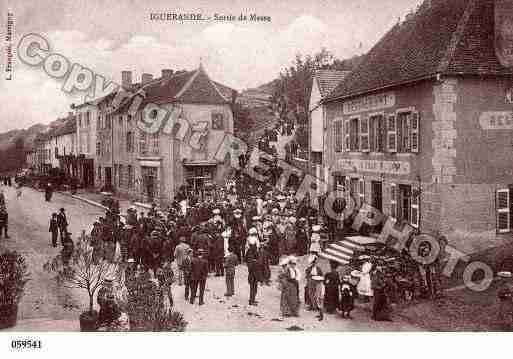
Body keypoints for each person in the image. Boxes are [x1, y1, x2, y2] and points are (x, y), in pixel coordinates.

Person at [306, 255, 324, 321]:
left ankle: (317, 308)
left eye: (314, 262)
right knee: (310, 294)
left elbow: (321, 275)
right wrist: (310, 277)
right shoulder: (309, 268)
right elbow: (307, 275)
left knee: (316, 295)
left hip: (317, 283)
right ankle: (312, 305)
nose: (314, 263)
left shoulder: (318, 269)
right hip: (311, 282)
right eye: (313, 262)